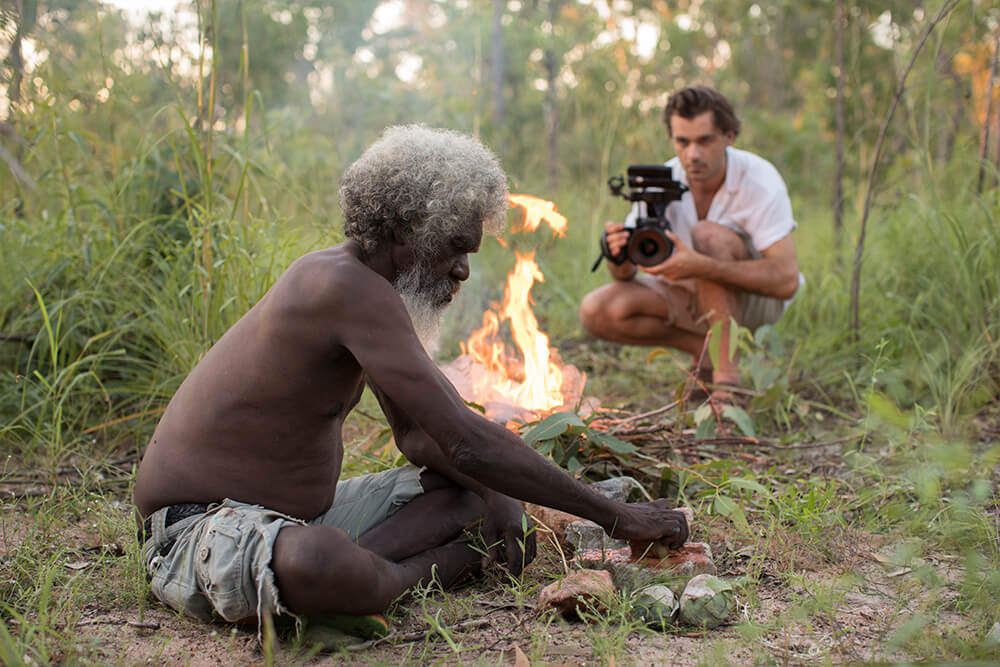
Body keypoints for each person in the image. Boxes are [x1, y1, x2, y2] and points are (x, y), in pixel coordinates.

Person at [133, 124, 689, 632]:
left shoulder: (372, 293)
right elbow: (465, 442)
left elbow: (420, 436)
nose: (463, 270)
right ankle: (372, 581)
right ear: (405, 227)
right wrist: (616, 516)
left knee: (471, 497)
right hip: (196, 529)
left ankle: (360, 576)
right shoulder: (341, 285)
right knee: (321, 560)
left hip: (295, 517)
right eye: (454, 247)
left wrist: (497, 498)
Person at [579, 85, 801, 399]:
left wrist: (702, 266)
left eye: (705, 141)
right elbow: (626, 275)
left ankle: (727, 384)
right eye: (682, 142)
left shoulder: (759, 180)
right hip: (689, 293)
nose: (692, 154)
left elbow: (786, 281)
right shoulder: (661, 179)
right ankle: (710, 352)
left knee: (708, 235)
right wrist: (618, 253)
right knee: (596, 310)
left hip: (754, 302)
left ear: (729, 136)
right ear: (672, 138)